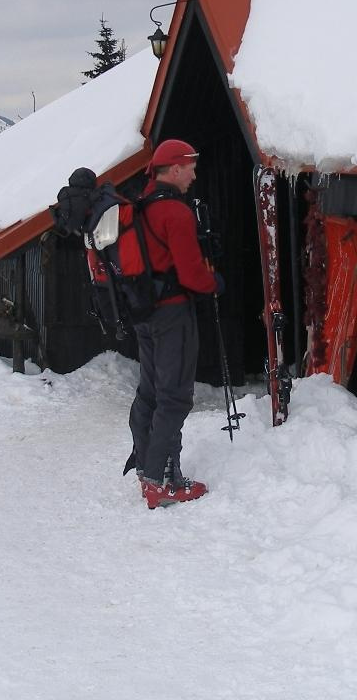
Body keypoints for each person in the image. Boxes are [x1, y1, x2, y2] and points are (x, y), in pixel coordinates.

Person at [127, 138, 223, 510]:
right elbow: (192, 275)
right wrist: (215, 283)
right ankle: (162, 481)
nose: (194, 174)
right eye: (191, 166)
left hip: (145, 313)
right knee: (174, 396)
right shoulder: (176, 213)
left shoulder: (141, 206)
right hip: (172, 316)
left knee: (150, 391)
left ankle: (144, 467)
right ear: (175, 167)